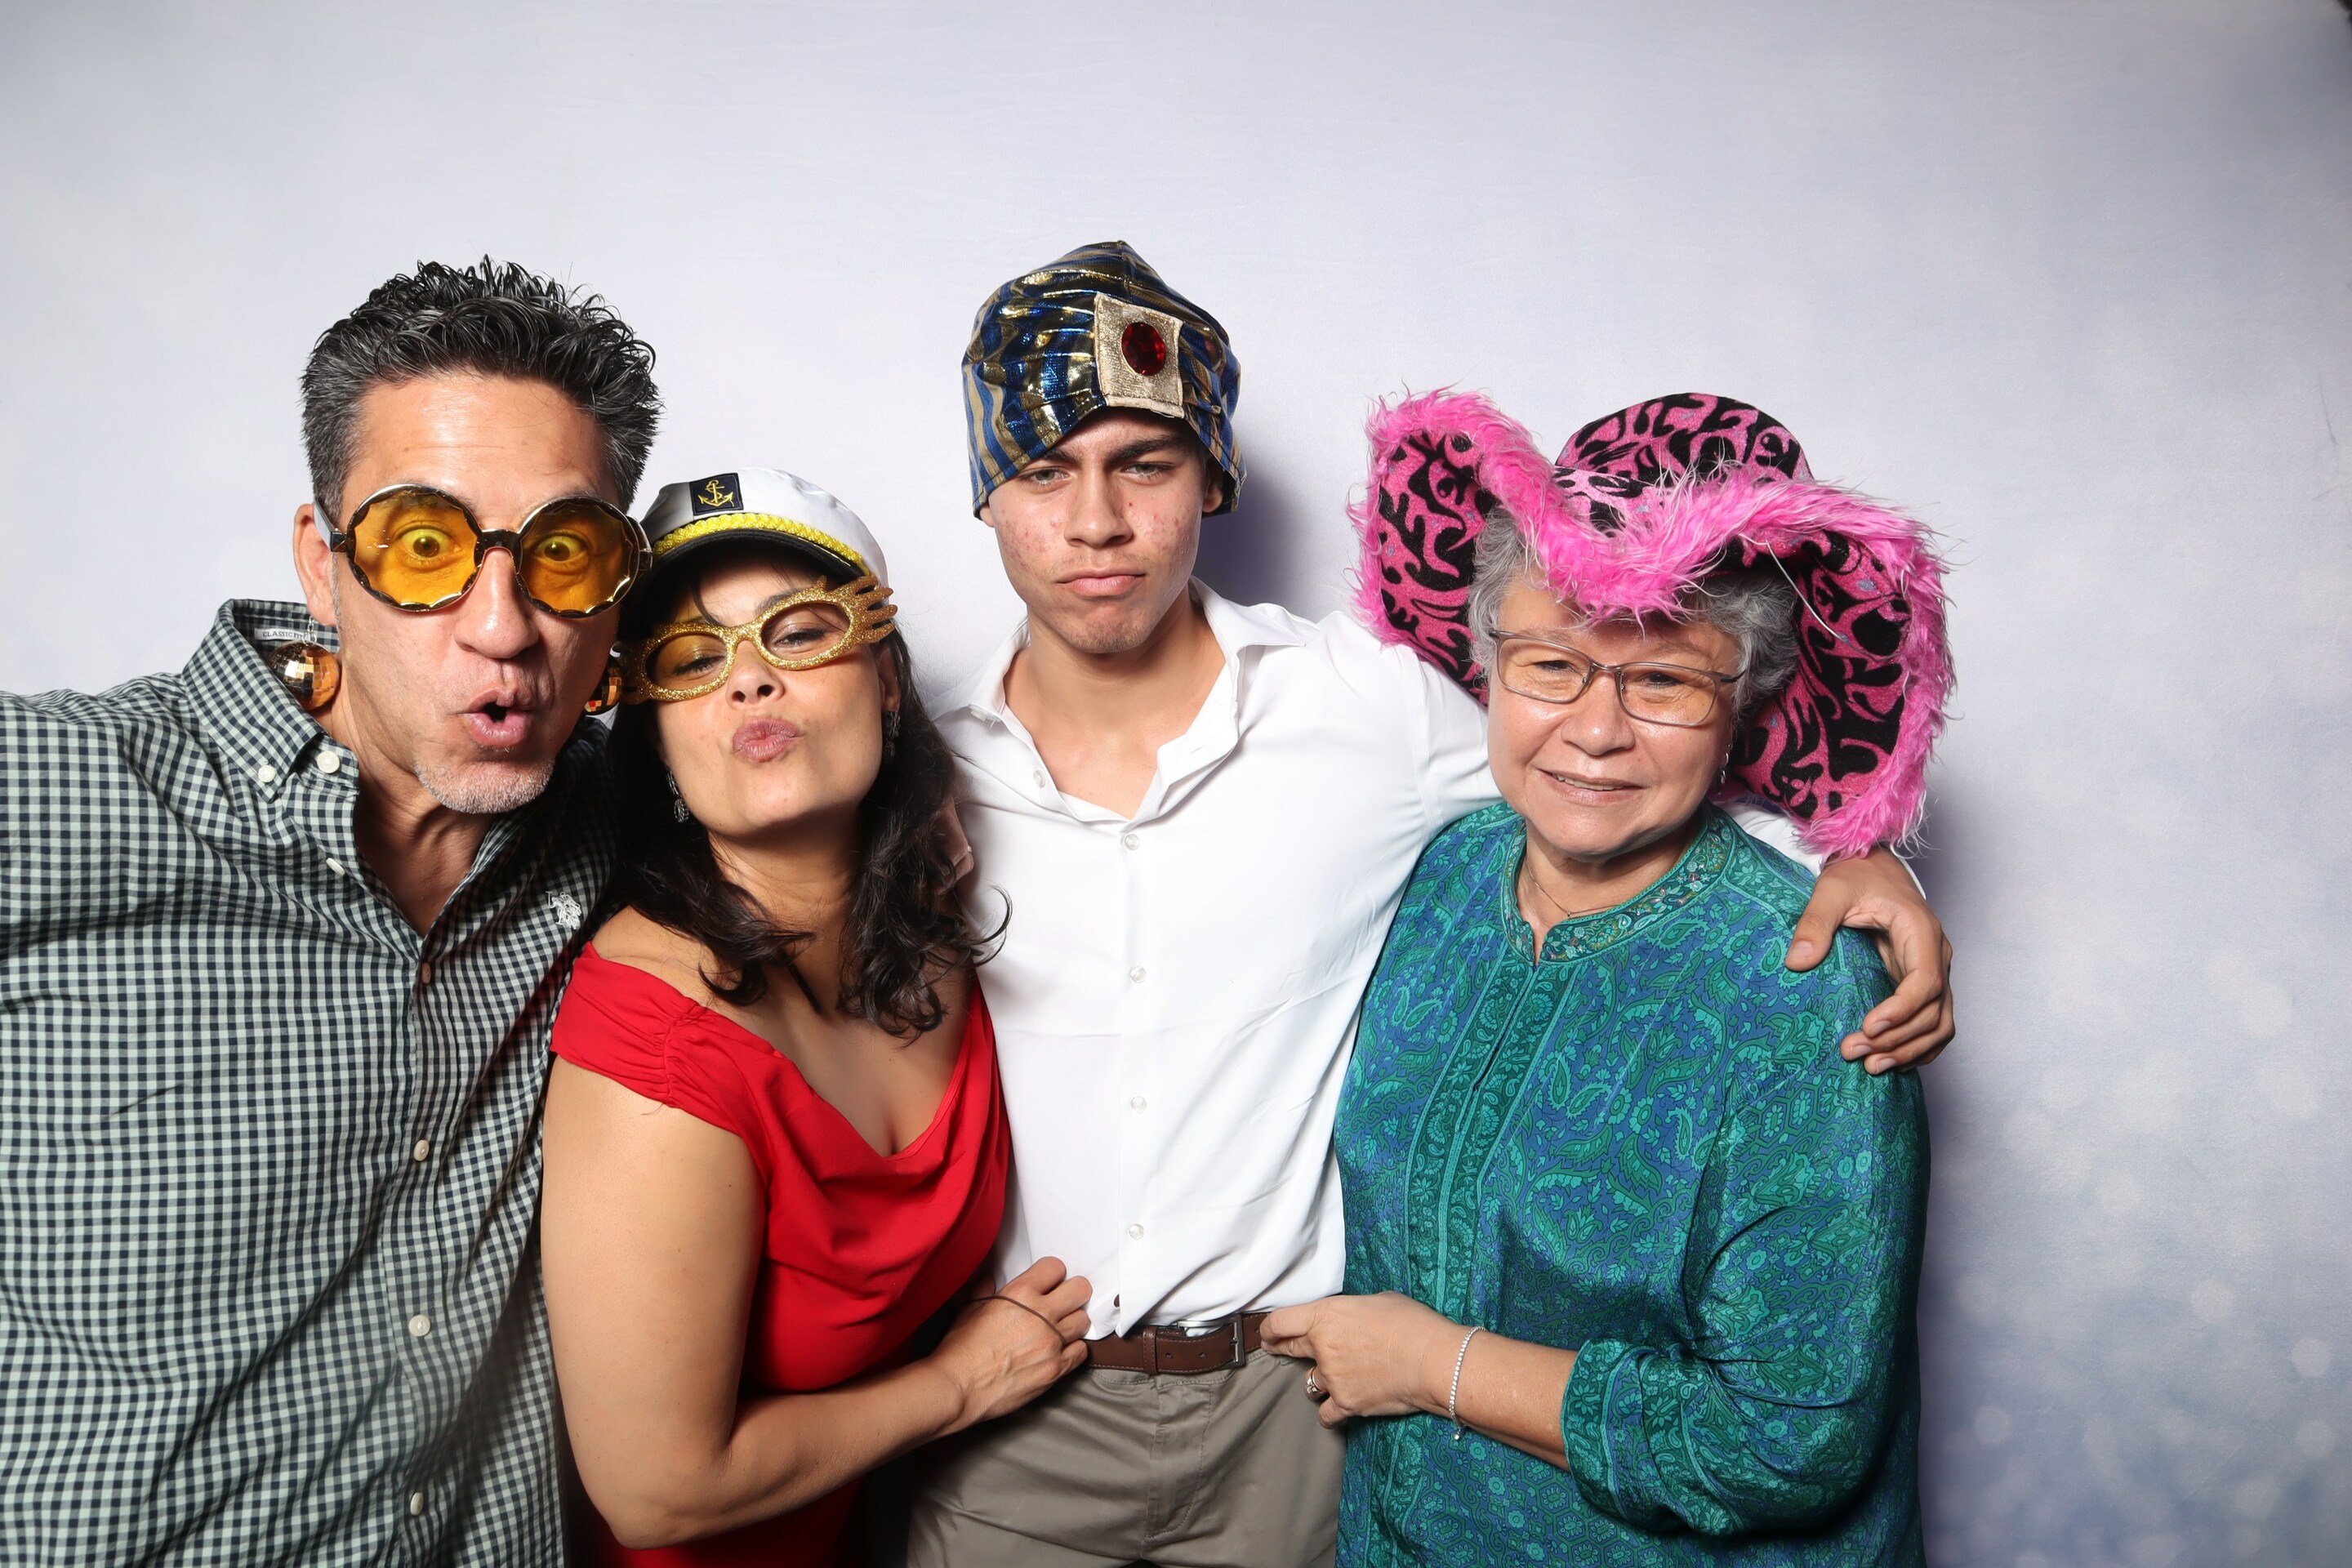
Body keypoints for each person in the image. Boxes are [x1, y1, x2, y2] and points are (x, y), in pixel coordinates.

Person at [904, 244, 1957, 1568]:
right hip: (1028, 1409)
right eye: (1044, 471)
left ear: (1212, 475)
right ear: (986, 494)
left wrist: (1863, 856)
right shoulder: (915, 776)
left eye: (1145, 465)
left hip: (1286, 1407)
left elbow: (1611, 770)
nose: (1096, 520)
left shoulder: (1368, 707)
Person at [0, 260, 661, 1562]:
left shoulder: (620, 823)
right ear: (323, 563)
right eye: (424, 547)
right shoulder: (54, 787)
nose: (502, 628)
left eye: (563, 554)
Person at [1261, 390, 1947, 1566]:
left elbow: (1790, 1443)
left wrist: (1430, 1366)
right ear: (1488, 668)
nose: (1595, 730)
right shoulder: (1441, 872)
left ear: (1744, 705)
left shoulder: (1805, 989)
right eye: (1550, 665)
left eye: (1664, 682)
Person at [537, 470, 1091, 1566]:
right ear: (654, 737)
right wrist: (957, 1386)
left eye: (798, 633)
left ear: (886, 680)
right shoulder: (657, 1039)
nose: (750, 680)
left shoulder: (938, 929)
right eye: (691, 660)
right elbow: (656, 1491)